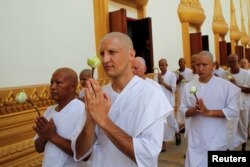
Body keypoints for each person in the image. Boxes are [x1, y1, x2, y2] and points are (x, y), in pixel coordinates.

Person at [72, 32, 172, 167]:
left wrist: (104, 121)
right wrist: (90, 120)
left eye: (112, 52)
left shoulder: (151, 94)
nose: (105, 59)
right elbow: (80, 154)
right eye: (102, 54)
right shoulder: (99, 95)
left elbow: (148, 155)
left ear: (131, 55)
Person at [180, 51, 240, 167]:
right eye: (197, 65)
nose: (200, 68)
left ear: (213, 66)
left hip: (216, 141)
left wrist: (208, 112)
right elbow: (183, 110)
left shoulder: (225, 86)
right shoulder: (188, 86)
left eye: (204, 64)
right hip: (195, 141)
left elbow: (233, 111)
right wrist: (194, 110)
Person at [33, 67, 87, 167]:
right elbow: (38, 148)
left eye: (58, 83)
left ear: (73, 86)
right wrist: (42, 136)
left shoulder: (82, 110)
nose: (52, 87)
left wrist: (52, 136)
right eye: (51, 83)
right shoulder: (49, 111)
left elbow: (84, 154)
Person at [131, 56, 173, 151]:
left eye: (136, 68)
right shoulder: (127, 86)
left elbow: (161, 111)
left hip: (149, 126)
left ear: (144, 69)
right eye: (131, 68)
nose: (133, 71)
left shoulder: (154, 86)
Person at [223, 54, 250, 151]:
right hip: (230, 105)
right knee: (229, 127)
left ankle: (243, 147)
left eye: (234, 61)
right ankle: (228, 148)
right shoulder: (225, 74)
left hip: (243, 105)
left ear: (237, 61)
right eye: (230, 62)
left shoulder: (246, 74)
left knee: (243, 126)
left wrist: (236, 86)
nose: (232, 64)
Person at [158, 58, 181, 146]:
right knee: (161, 122)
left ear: (167, 65)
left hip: (169, 102)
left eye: (163, 65)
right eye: (160, 65)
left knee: (171, 120)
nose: (161, 67)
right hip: (160, 103)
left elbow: (173, 89)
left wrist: (162, 82)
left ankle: (177, 132)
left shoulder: (171, 75)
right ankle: (162, 142)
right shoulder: (158, 76)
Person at [175, 58, 193, 133]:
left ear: (185, 63)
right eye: (179, 62)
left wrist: (184, 78)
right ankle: (182, 125)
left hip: (187, 92)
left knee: (187, 107)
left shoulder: (189, 71)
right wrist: (179, 79)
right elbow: (176, 82)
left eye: (181, 62)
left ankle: (188, 125)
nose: (180, 63)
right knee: (180, 108)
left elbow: (191, 81)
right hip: (180, 92)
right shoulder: (176, 72)